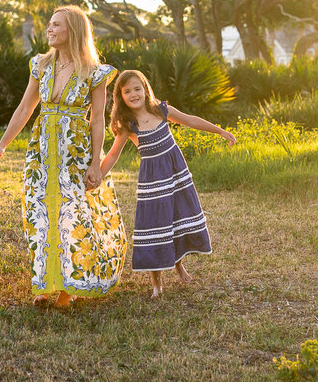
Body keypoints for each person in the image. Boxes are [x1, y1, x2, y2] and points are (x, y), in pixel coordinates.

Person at [0, 6, 126, 309]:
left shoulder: (95, 72)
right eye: (49, 24)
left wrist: (95, 163)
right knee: (42, 214)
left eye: (56, 25)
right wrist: (0, 147)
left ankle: (68, 287)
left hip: (75, 152)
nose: (49, 30)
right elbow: (25, 109)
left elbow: (98, 120)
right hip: (42, 151)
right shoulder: (41, 65)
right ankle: (46, 283)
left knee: (71, 215)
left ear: (72, 31)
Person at [100, 68, 235, 298]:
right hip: (153, 182)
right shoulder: (128, 124)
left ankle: (179, 265)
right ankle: (156, 283)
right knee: (155, 226)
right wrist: (97, 174)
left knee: (175, 220)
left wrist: (220, 131)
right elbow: (112, 155)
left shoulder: (161, 110)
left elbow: (191, 120)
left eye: (137, 89)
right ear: (120, 96)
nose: (134, 94)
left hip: (175, 176)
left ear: (145, 88)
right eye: (127, 91)